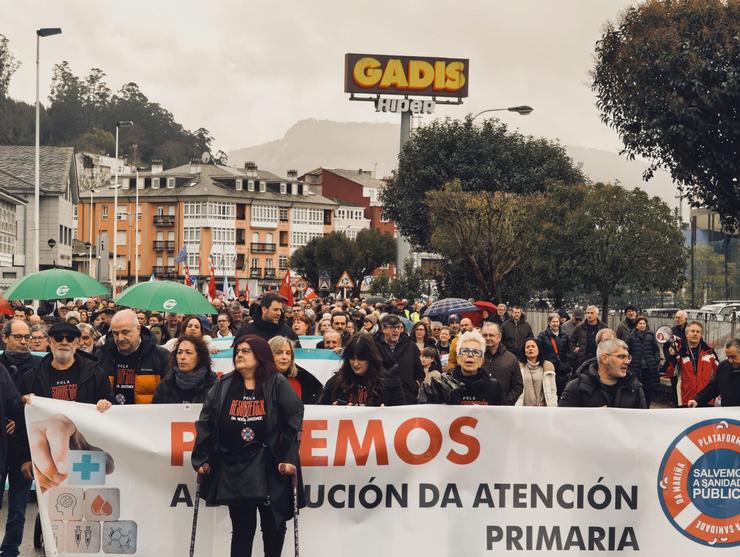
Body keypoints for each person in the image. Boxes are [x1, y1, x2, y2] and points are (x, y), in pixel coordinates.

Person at [192, 335, 303, 557]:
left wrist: (288, 458)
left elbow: (294, 419)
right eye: (238, 351)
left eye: (246, 351)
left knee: (274, 527)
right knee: (242, 530)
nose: (239, 355)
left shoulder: (276, 382)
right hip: (236, 468)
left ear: (260, 355)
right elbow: (206, 422)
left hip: (271, 466)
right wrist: (201, 458)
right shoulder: (223, 385)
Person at [19, 322, 113, 490]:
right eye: (58, 338)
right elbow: (24, 421)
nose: (64, 342)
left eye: (70, 338)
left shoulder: (96, 374)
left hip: (85, 450)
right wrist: (26, 457)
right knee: (52, 508)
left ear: (77, 343)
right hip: (49, 454)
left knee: (88, 503)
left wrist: (106, 404)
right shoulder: (32, 376)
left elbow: (111, 411)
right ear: (49, 341)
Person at [0, 319, 41, 557]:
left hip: (25, 446)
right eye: (18, 336)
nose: (24, 341)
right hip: (3, 442)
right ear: (6, 338)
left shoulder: (39, 364)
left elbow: (35, 401)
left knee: (18, 505)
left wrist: (20, 417)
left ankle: (10, 549)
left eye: (27, 337)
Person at [96, 309, 170, 405]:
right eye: (115, 333)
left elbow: (169, 395)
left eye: (125, 332)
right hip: (110, 417)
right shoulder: (102, 355)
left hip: (147, 417)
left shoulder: (161, 356)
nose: (120, 338)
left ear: (138, 329)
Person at [318, 334, 404, 406]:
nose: (355, 364)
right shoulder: (336, 382)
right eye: (352, 358)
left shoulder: (389, 383)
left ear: (370, 358)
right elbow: (319, 411)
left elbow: (399, 414)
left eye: (361, 359)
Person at [559, 338, 646, 408]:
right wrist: (593, 417)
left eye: (628, 357)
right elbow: (563, 423)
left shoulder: (634, 388)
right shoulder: (576, 388)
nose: (627, 362)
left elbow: (643, 424)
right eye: (621, 357)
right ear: (604, 359)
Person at [663, 321, 718, 407]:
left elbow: (719, 373)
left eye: (698, 331)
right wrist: (672, 357)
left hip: (707, 399)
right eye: (692, 331)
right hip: (686, 399)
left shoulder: (710, 352)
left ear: (701, 335)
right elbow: (671, 373)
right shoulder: (680, 352)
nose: (695, 334)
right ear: (686, 334)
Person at [375, 314, 424, 404]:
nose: (396, 331)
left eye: (398, 327)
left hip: (406, 398)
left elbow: (420, 372)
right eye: (392, 327)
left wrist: (414, 386)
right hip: (381, 398)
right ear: (383, 329)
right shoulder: (374, 346)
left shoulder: (410, 346)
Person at [152, 336, 217, 404]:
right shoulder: (165, 385)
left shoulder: (213, 384)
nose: (182, 357)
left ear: (199, 357)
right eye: (179, 352)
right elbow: (155, 412)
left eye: (188, 353)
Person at [448, 331, 503, 405]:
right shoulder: (447, 386)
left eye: (476, 352)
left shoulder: (494, 387)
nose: (470, 355)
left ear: (482, 361)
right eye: (465, 351)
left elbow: (502, 415)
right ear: (458, 358)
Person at [268, 336, 322, 404]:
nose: (285, 357)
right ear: (268, 355)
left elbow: (320, 390)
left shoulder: (300, 374)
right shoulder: (258, 377)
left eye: (288, 353)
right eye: (279, 353)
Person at [688, 338, 740, 407]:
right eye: (728, 357)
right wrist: (697, 400)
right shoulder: (723, 367)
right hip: (728, 415)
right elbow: (713, 388)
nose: (730, 361)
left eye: (733, 357)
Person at [480, 323, 523, 405]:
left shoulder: (511, 359)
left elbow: (518, 386)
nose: (488, 338)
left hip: (503, 410)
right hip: (478, 409)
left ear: (499, 337)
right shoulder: (476, 356)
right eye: (485, 335)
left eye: (491, 335)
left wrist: (507, 403)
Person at [626, 315, 660, 408]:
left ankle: (647, 407)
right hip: (636, 368)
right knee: (637, 389)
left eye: (644, 323)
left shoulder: (650, 335)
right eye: (640, 323)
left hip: (649, 368)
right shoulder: (631, 337)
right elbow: (627, 351)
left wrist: (655, 360)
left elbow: (656, 350)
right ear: (636, 325)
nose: (642, 325)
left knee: (648, 390)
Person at [536, 313, 571, 396]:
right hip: (549, 368)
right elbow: (539, 351)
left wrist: (567, 365)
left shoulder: (565, 335)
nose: (555, 324)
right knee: (549, 391)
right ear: (549, 323)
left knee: (561, 392)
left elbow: (568, 351)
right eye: (553, 322)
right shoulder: (542, 335)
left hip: (562, 370)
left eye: (557, 321)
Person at [516, 339, 557, 407]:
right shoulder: (519, 367)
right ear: (524, 351)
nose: (530, 349)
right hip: (524, 409)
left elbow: (553, 390)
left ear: (538, 349)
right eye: (528, 347)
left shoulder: (547, 366)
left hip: (543, 409)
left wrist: (553, 407)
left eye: (533, 346)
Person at [568, 305, 607, 371]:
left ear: (597, 314)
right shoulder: (580, 327)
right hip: (583, 358)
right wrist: (574, 348)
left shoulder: (603, 327)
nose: (589, 315)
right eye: (587, 313)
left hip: (597, 358)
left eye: (592, 313)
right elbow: (571, 340)